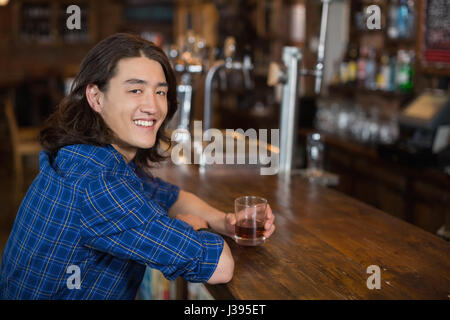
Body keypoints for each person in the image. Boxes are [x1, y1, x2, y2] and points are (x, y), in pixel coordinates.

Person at [0, 33, 275, 300]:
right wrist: (197, 228)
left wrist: (224, 221)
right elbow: (219, 266)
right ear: (96, 98)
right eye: (135, 90)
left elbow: (172, 197)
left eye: (160, 92)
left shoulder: (89, 157)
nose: (153, 107)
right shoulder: (97, 183)